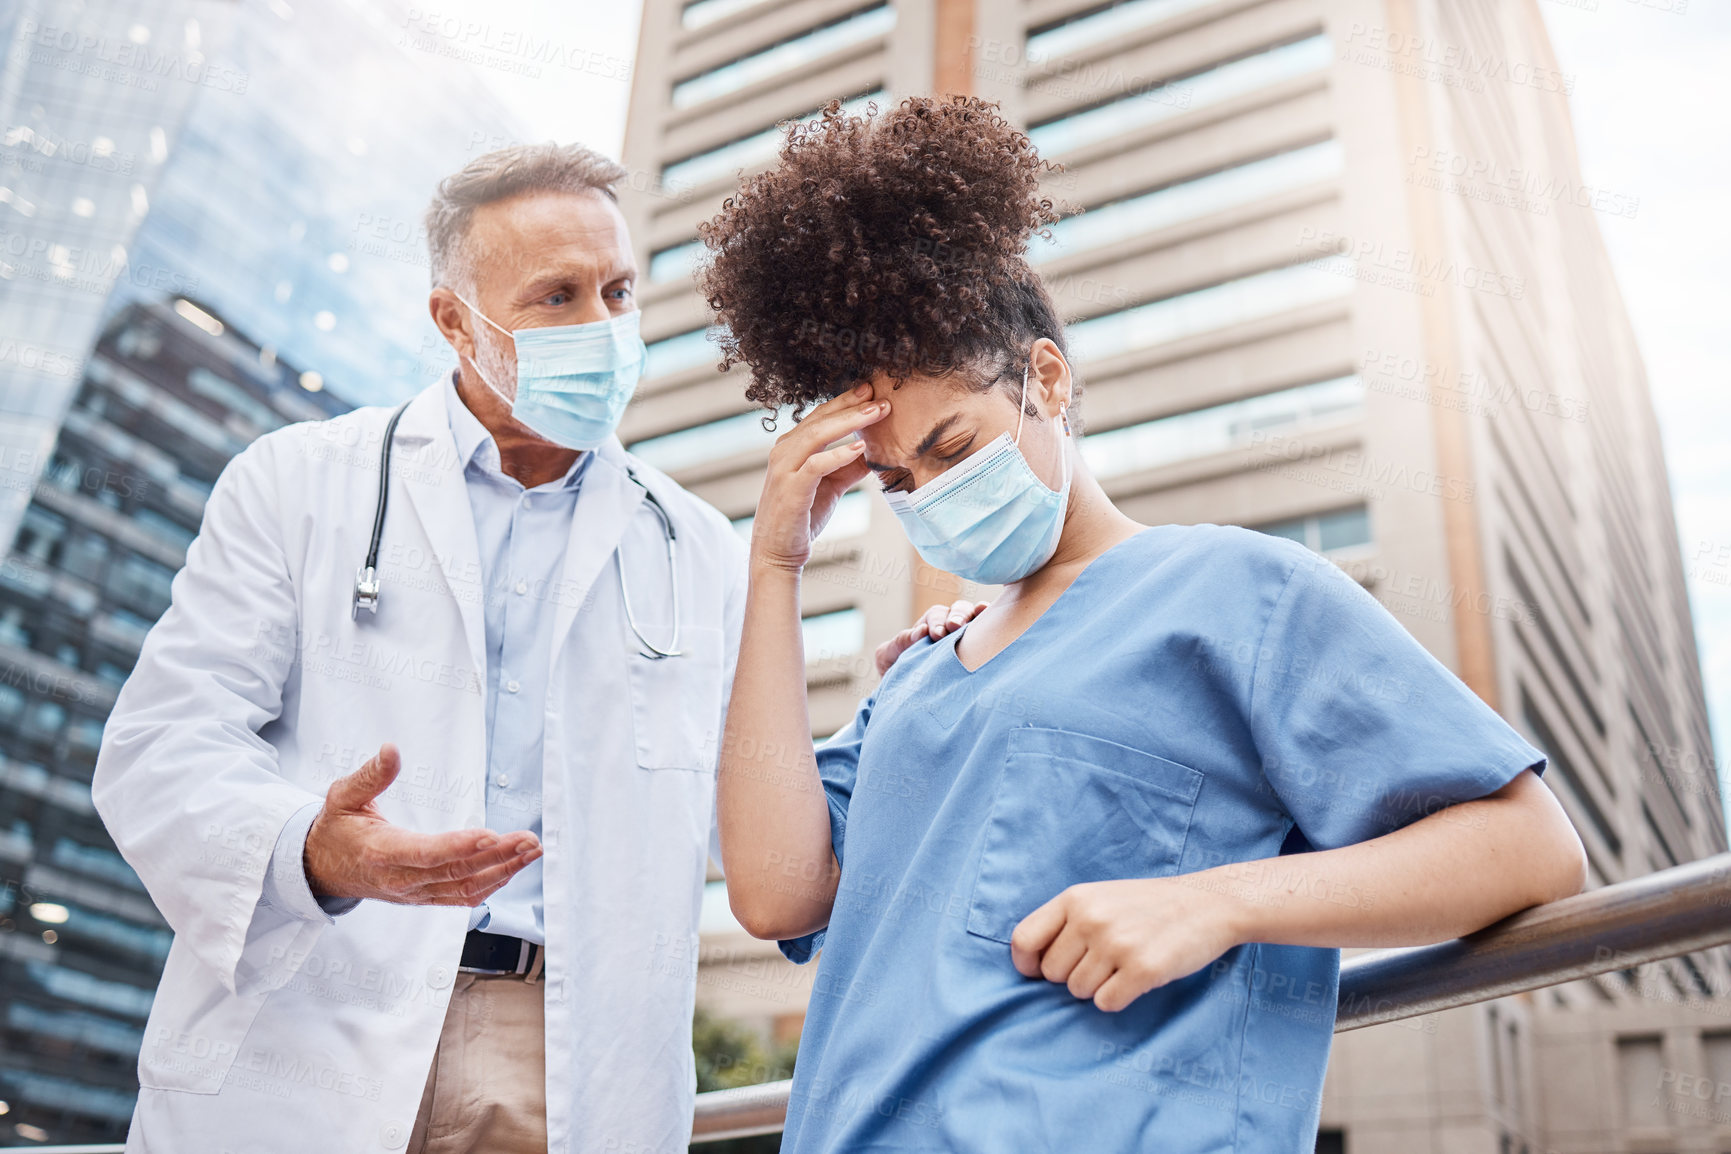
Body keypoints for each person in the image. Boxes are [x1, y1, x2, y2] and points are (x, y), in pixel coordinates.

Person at [702, 97, 1589, 1152]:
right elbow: (773, 892)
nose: (929, 492)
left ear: (1045, 377)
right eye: (896, 477)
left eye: (953, 443)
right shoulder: (917, 680)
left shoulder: (1236, 591)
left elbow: (1531, 845)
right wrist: (775, 562)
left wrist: (1217, 902)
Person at [92, 141, 975, 1154]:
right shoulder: (296, 485)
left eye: (617, 290)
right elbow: (160, 748)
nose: (601, 328)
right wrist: (317, 849)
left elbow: (775, 849)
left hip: (567, 1060)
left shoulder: (700, 550)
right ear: (455, 322)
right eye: (556, 297)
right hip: (311, 1016)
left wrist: (919, 704)